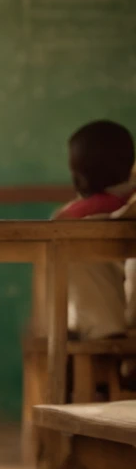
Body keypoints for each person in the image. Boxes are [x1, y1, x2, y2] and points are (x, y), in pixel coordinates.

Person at [55, 120, 136, 341]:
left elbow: (59, 222)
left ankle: (98, 329)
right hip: (122, 313)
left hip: (107, 324)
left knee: (80, 254)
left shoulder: (80, 215)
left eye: (78, 174)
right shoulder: (126, 197)